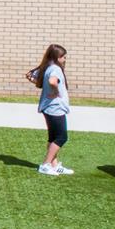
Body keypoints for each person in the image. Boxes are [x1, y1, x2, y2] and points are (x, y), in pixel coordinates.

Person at [27, 44, 71, 175]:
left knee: (53, 138)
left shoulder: (46, 67)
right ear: (57, 57)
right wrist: (55, 91)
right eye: (63, 57)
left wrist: (43, 85)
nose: (65, 59)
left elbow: (30, 75)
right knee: (61, 137)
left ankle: (54, 165)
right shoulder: (55, 69)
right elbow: (53, 81)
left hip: (49, 107)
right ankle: (45, 164)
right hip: (55, 108)